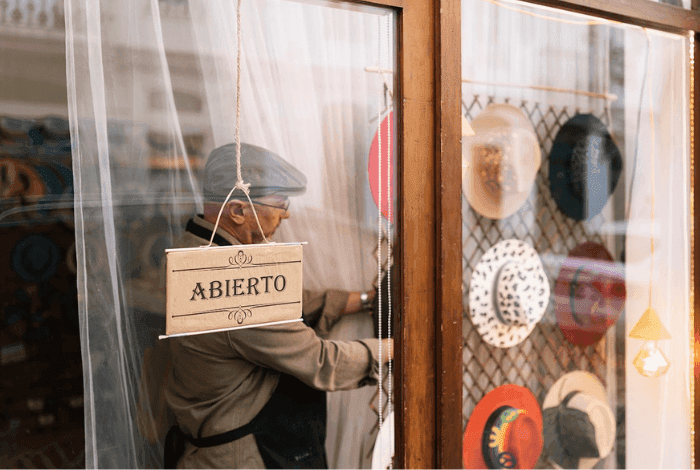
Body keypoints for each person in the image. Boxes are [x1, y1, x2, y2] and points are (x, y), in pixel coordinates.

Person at [163, 142, 392, 469]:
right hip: (244, 458)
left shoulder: (192, 250)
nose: (286, 214)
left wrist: (367, 300)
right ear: (238, 211)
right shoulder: (234, 281)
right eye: (280, 203)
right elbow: (320, 361)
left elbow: (287, 303)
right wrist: (399, 350)